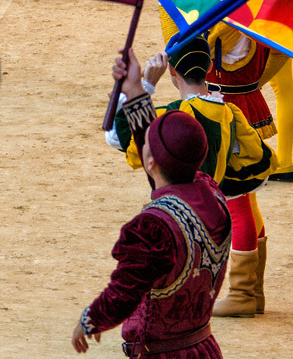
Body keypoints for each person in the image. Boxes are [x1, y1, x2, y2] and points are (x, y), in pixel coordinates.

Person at [76, 49, 231, 357]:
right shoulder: (211, 194)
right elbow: (163, 167)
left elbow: (124, 292)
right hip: (203, 349)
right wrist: (135, 87)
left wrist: (90, 319)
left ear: (149, 162)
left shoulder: (154, 227)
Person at [109, 35, 275, 319]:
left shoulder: (173, 117)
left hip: (173, 221)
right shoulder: (230, 113)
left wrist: (144, 85)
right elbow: (261, 163)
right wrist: (225, 185)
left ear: (172, 71)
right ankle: (248, 293)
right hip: (214, 223)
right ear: (210, 65)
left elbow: (116, 136)